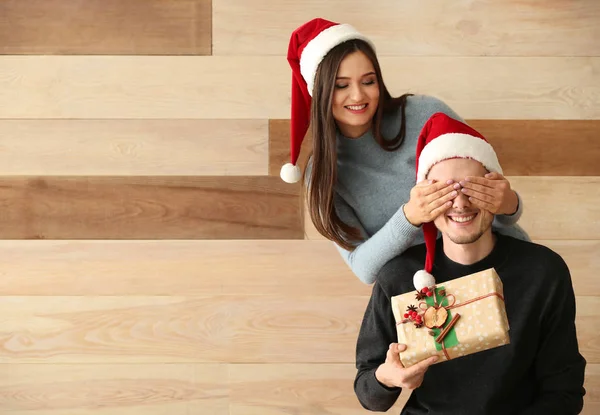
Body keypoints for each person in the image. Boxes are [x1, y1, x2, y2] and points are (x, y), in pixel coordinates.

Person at [353, 113, 586, 414]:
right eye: (445, 192)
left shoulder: (543, 272)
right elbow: (369, 394)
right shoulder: (398, 277)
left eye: (471, 188)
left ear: (495, 190)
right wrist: (387, 377)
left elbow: (564, 393)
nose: (460, 204)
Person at [280, 18, 530, 284]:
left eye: (368, 81)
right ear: (318, 92)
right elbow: (364, 269)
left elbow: (497, 206)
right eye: (341, 85)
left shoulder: (424, 114)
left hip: (502, 268)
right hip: (426, 299)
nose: (357, 96)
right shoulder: (323, 175)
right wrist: (409, 216)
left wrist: (510, 204)